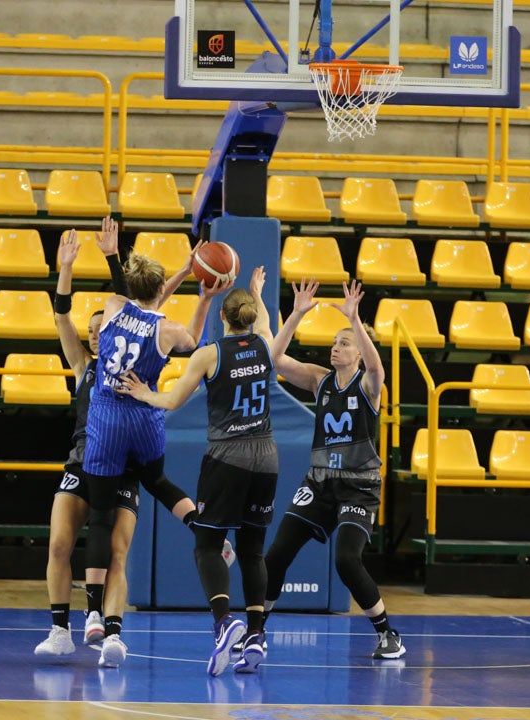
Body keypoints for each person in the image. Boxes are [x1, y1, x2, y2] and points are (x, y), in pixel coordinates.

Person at [35, 221, 233, 658]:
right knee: (157, 482)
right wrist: (202, 294)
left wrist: (109, 257)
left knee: (105, 524)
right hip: (142, 420)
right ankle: (206, 532)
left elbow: (133, 300)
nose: (93, 332)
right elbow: (185, 335)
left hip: (107, 427)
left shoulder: (113, 309)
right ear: (160, 289)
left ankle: (98, 620)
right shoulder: (158, 331)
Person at [120, 266, 280, 676]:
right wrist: (258, 292)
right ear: (250, 316)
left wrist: (144, 393)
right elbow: (265, 321)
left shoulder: (209, 354)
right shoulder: (265, 344)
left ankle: (224, 623)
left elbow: (173, 401)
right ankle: (257, 633)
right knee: (252, 550)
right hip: (266, 456)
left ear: (222, 317)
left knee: (208, 545)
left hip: (227, 456)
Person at [263, 277, 406, 660]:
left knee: (346, 560)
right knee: (276, 555)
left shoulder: (369, 386)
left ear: (358, 352)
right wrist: (296, 314)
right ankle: (256, 631)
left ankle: (387, 633)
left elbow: (376, 366)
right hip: (320, 483)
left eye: (344, 343)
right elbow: (275, 359)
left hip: (359, 486)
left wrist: (355, 321)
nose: (336, 347)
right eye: (335, 342)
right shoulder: (320, 381)